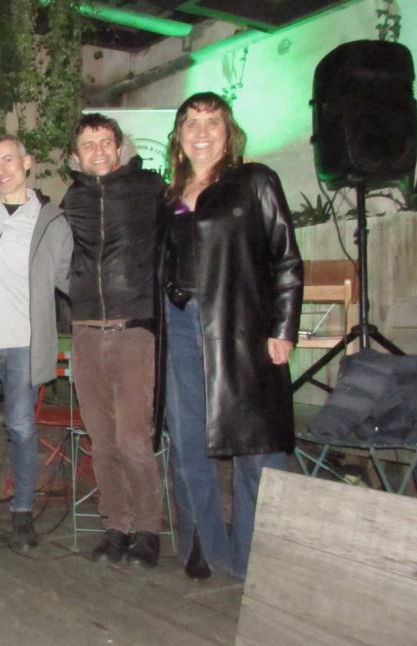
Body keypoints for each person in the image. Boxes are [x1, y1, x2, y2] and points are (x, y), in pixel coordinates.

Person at [160, 92, 303, 581]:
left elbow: (286, 258)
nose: (201, 132)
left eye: (211, 122)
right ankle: (203, 545)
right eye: (190, 123)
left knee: (256, 446)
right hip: (179, 324)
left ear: (229, 132)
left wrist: (283, 330)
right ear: (178, 138)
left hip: (240, 328)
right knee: (185, 440)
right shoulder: (169, 196)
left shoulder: (254, 181)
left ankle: (258, 560)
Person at [0, 135, 72, 551]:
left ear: (27, 162)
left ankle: (22, 515)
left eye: (8, 160)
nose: (0, 169)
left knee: (22, 428)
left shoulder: (52, 222)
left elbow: (70, 278)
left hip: (23, 343)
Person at [62, 114, 166, 568]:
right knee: (102, 440)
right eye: (89, 144)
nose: (99, 150)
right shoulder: (73, 199)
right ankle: (115, 527)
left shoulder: (149, 189)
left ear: (120, 146)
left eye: (106, 142)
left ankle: (148, 529)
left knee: (133, 441)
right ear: (76, 156)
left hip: (132, 330)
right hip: (85, 332)